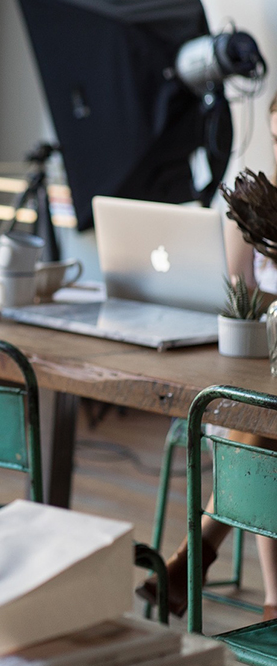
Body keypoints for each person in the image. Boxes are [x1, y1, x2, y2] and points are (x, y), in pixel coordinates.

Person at [136, 92, 277, 621]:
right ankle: (269, 599)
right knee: (256, 419)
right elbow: (234, 292)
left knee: (260, 425)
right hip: (257, 368)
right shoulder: (262, 204)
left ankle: (195, 559)